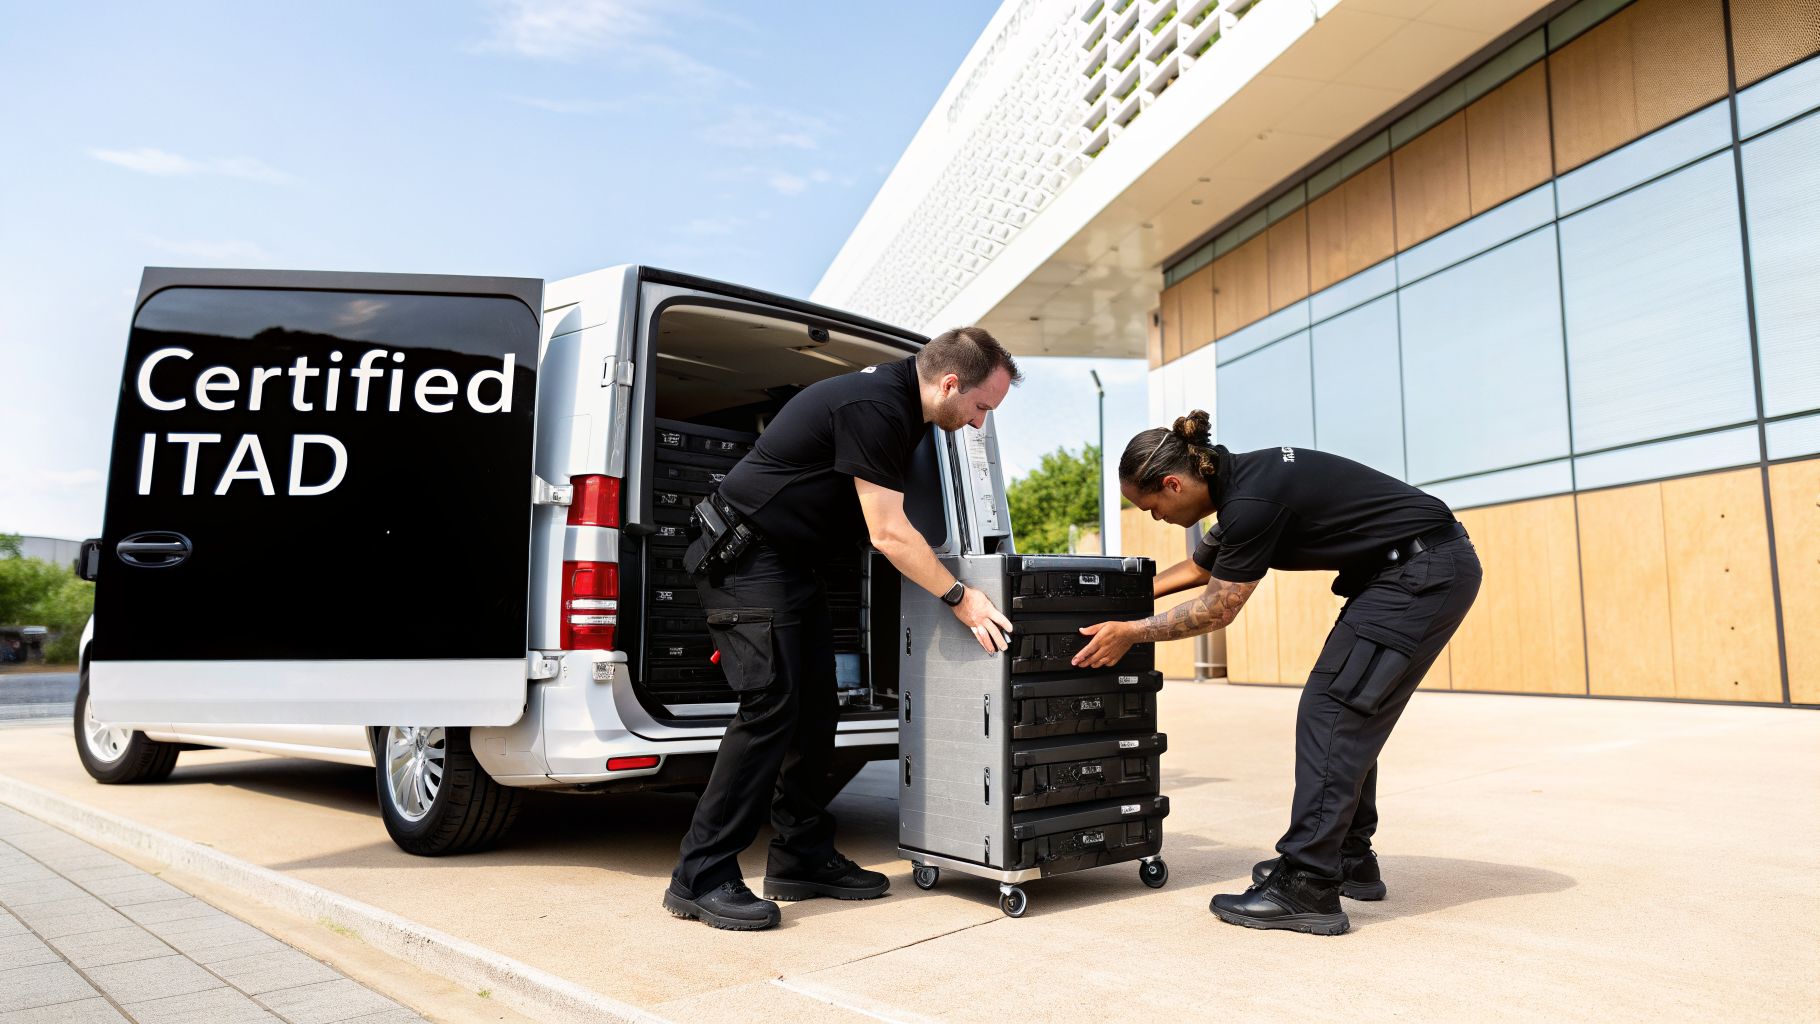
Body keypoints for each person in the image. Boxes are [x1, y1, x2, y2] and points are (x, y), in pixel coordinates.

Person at [664, 326, 1023, 931]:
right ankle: (699, 875)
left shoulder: (905, 407)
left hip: (790, 563)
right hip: (749, 558)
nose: (979, 422)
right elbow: (888, 533)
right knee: (770, 710)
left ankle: (800, 857)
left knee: (817, 713)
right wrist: (960, 597)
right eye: (981, 407)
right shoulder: (877, 406)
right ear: (949, 383)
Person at [1072, 411, 1482, 936]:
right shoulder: (1242, 484)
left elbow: (1217, 608)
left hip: (1419, 573)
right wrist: (1116, 599)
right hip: (1411, 569)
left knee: (1333, 712)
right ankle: (1347, 858)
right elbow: (1200, 568)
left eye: (1152, 507)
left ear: (1172, 484)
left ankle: (1308, 883)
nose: (1156, 518)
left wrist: (1131, 632)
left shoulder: (1251, 503)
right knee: (1349, 711)